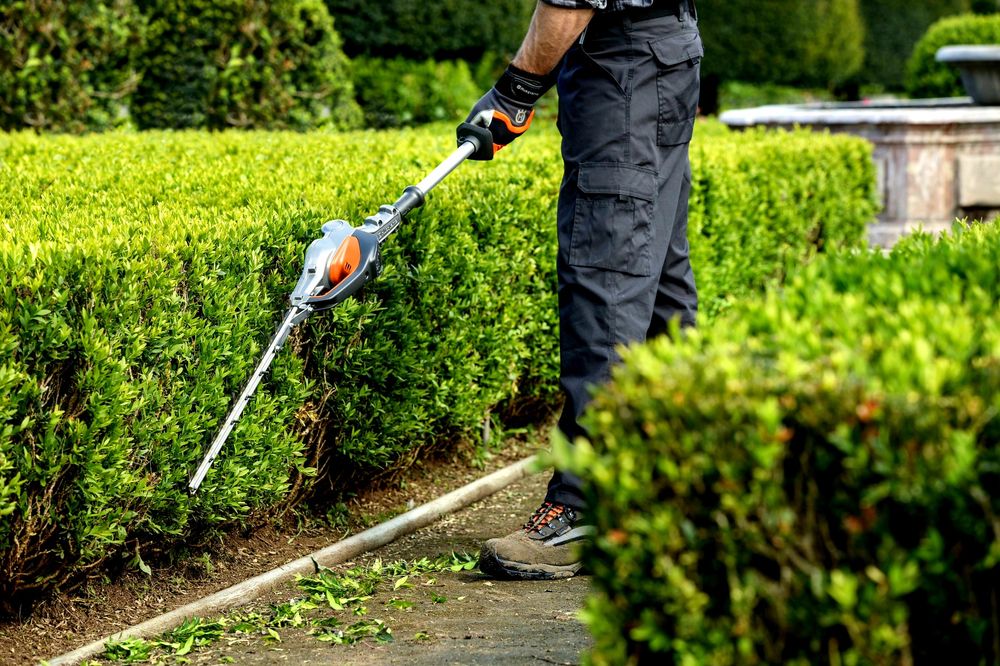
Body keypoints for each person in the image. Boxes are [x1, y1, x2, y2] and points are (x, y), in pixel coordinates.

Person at [458, 0, 702, 580]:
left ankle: (585, 506)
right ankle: (672, 486)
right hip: (665, 47)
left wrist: (516, 89)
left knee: (608, 279)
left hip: (622, 70)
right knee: (659, 281)